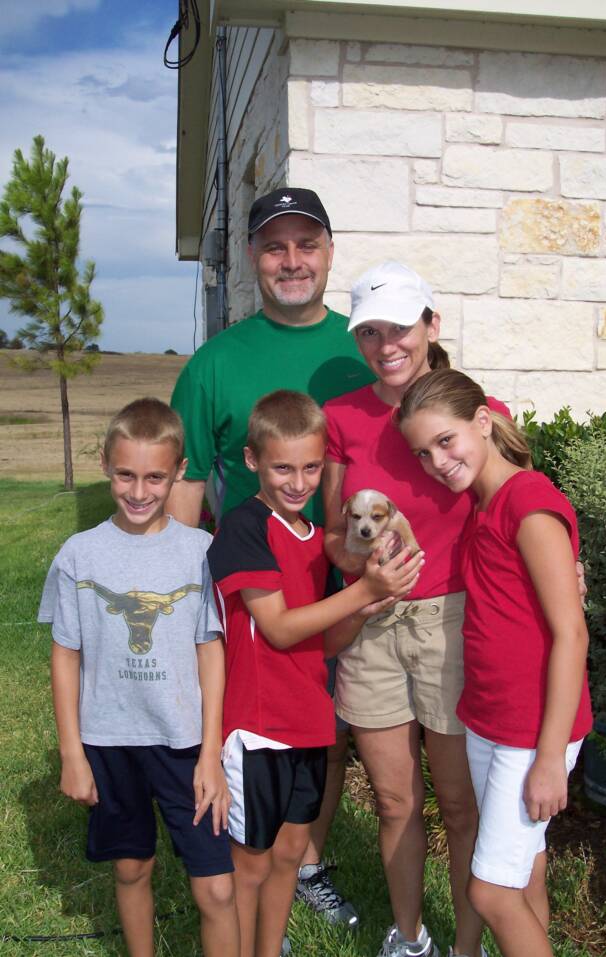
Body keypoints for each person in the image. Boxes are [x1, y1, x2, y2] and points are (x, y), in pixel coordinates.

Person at [169, 187, 374, 927]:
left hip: (347, 578)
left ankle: (307, 859)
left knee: (327, 729)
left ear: (328, 251)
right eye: (275, 245)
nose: (292, 260)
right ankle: (258, 865)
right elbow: (190, 481)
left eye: (306, 244)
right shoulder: (215, 363)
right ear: (254, 256)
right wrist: (181, 606)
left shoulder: (368, 348)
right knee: (264, 729)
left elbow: (444, 429)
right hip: (261, 593)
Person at [322, 261, 511, 957]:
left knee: (461, 806)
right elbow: (338, 539)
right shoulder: (342, 416)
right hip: (372, 625)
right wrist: (368, 568)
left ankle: (467, 945)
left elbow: (519, 507)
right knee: (396, 801)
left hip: (455, 627)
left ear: (432, 325)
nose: (384, 344)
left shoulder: (478, 408)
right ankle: (409, 936)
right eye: (369, 332)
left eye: (398, 327)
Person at [207, 390, 424, 957]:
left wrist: (364, 608)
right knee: (250, 866)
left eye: (310, 467)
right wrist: (365, 589)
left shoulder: (311, 538)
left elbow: (322, 640)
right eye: (282, 467)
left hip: (308, 721)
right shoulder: (244, 527)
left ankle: (269, 947)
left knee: (287, 855)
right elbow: (278, 628)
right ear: (252, 461)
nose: (298, 482)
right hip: (258, 727)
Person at [397, 369, 592, 957]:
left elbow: (572, 633)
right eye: (423, 452)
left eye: (446, 441)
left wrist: (551, 758)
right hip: (489, 719)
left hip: (531, 731)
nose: (436, 461)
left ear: (483, 422)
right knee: (521, 871)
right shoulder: (486, 503)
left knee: (488, 892)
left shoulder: (529, 503)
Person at [39, 398, 239, 957]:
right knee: (131, 868)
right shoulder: (80, 556)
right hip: (108, 742)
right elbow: (65, 655)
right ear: (105, 462)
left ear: (180, 472)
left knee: (217, 887)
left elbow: (210, 651)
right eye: (125, 474)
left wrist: (210, 752)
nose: (139, 491)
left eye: (155, 476)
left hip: (185, 744)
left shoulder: (202, 552)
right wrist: (72, 753)